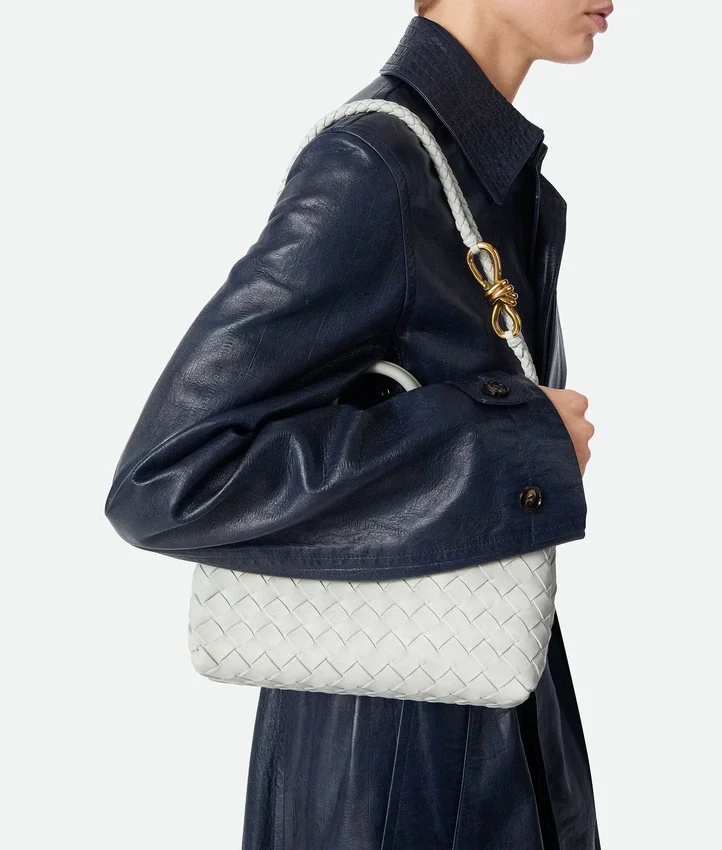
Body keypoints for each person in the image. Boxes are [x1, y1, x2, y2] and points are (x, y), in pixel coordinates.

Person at [104, 1, 604, 847]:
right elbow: (167, 476)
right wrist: (512, 437)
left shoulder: (485, 176)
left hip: (494, 698)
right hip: (383, 759)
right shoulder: (374, 166)